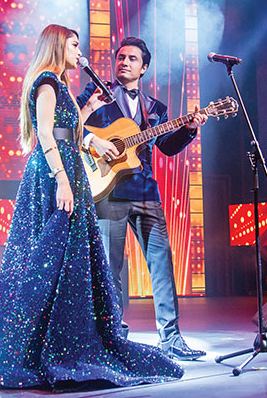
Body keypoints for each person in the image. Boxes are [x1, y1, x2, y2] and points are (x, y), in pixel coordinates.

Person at [0, 24, 183, 390]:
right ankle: (41, 346)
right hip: (56, 175)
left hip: (87, 175)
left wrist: (88, 117)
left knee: (67, 262)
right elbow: (46, 132)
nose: (80, 52)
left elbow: (70, 129)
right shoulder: (47, 81)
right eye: (74, 45)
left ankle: (67, 336)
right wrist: (61, 178)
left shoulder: (65, 86)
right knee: (49, 258)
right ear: (59, 46)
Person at [76, 37, 207, 361]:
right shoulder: (96, 93)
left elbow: (167, 147)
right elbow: (70, 125)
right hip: (109, 192)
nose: (124, 62)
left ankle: (171, 340)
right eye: (120, 57)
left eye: (132, 58)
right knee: (111, 270)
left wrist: (189, 129)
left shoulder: (155, 108)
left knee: (162, 266)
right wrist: (94, 142)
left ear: (144, 67)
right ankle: (113, 338)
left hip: (147, 192)